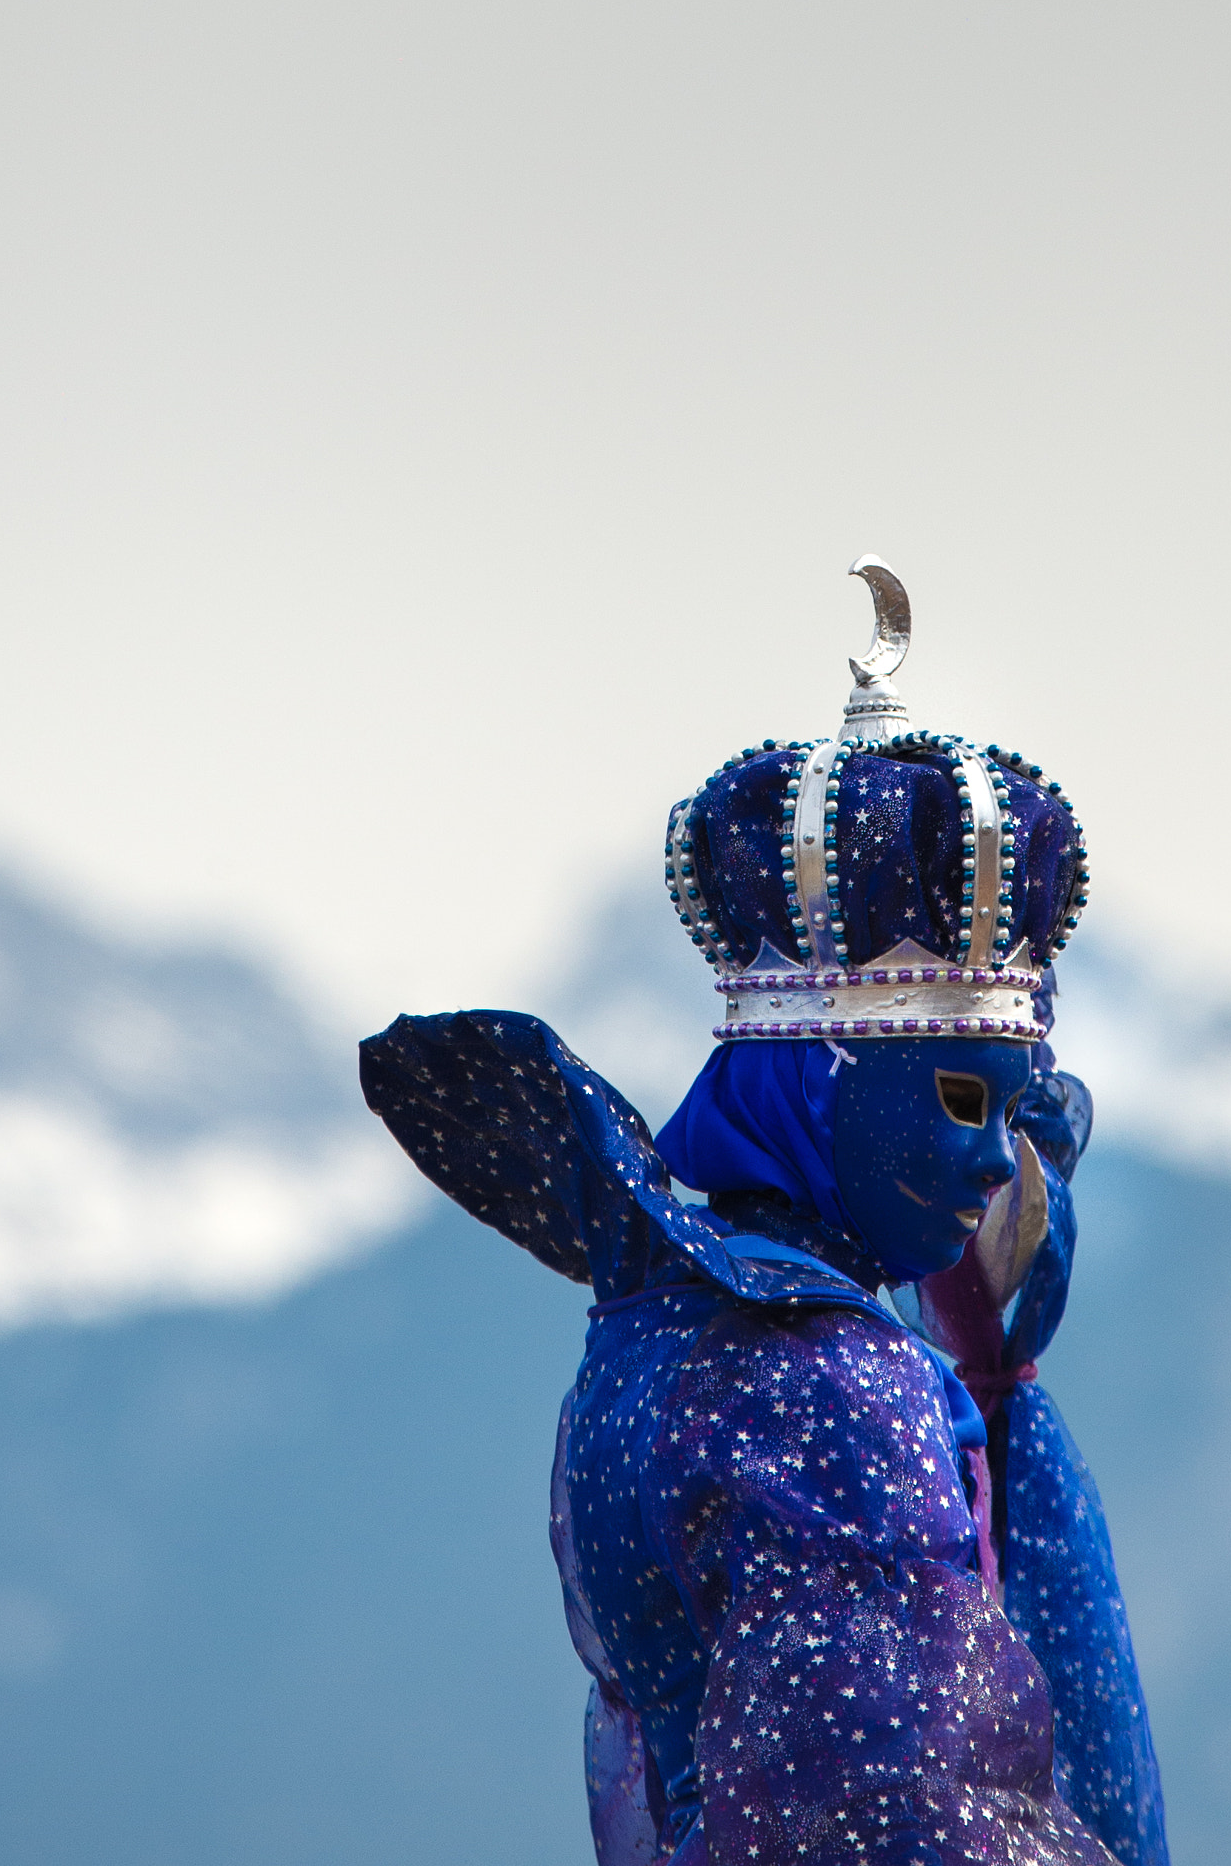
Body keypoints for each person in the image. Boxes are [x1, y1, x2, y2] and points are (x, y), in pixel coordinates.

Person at [360, 557, 1167, 1866]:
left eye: (1019, 1119)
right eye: (958, 1097)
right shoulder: (840, 1389)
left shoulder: (652, 1318)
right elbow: (898, 1821)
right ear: (811, 1081)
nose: (991, 1171)